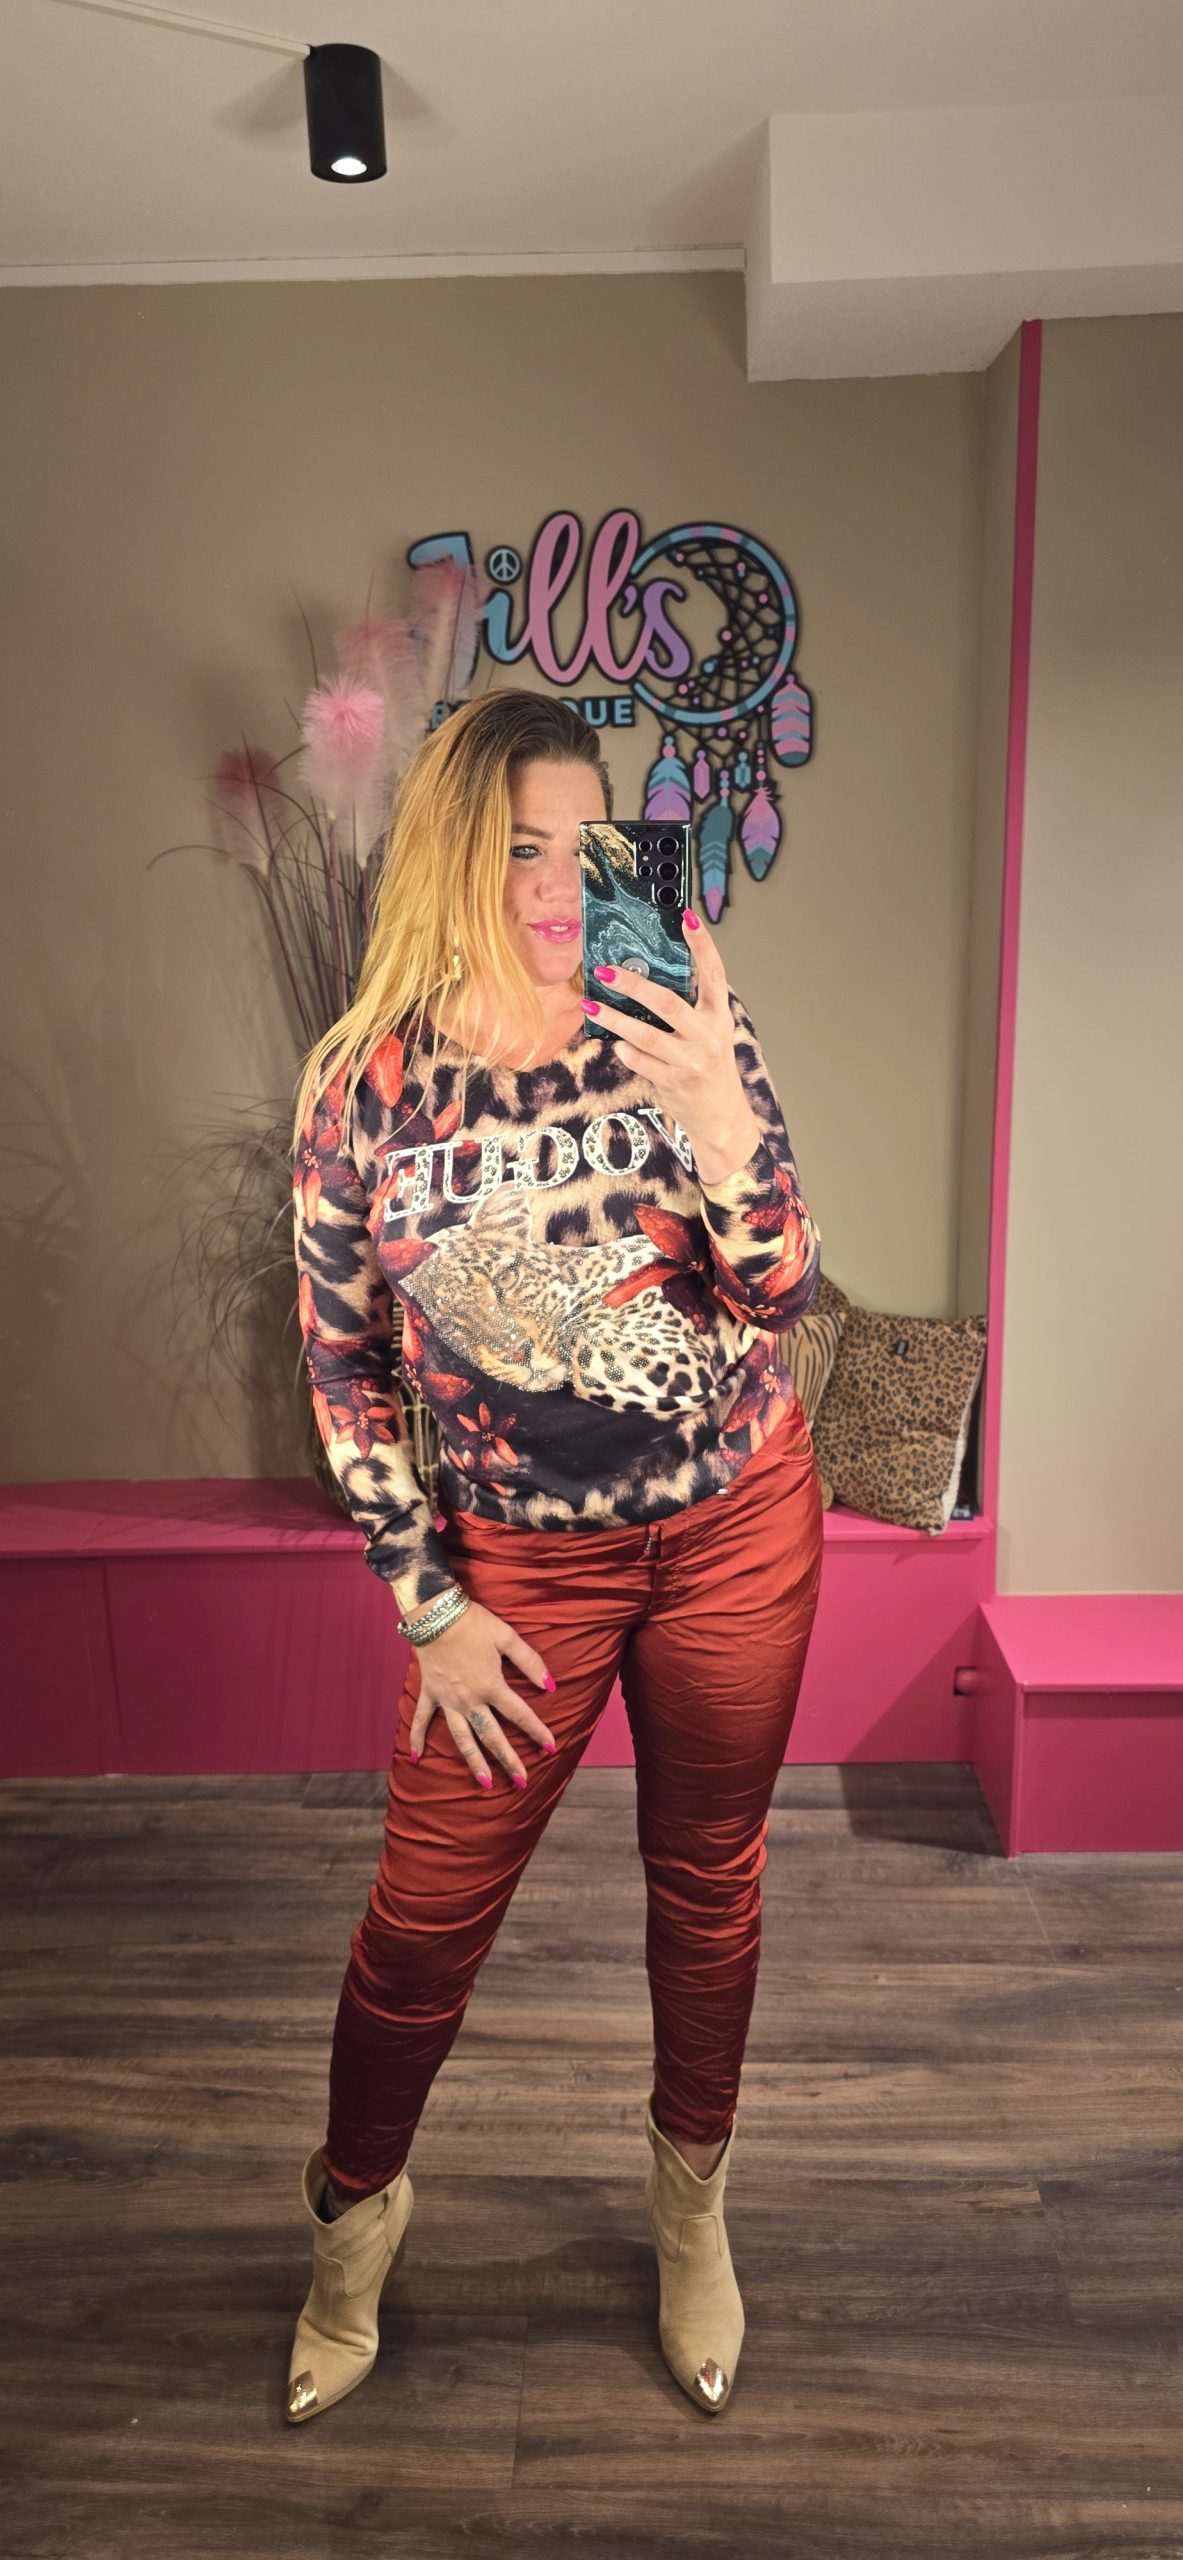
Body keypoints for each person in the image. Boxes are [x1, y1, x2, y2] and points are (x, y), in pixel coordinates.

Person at [287, 689, 824, 2423]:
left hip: (735, 1524)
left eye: (583, 845)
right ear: (450, 851)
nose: (552, 885)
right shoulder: (365, 1085)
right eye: (517, 845)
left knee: (710, 1881)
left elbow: (779, 1293)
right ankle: (349, 2236)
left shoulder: (669, 1021)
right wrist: (426, 1604)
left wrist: (721, 1113)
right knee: (421, 1923)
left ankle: (692, 2214)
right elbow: (343, 1366)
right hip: (518, 1565)